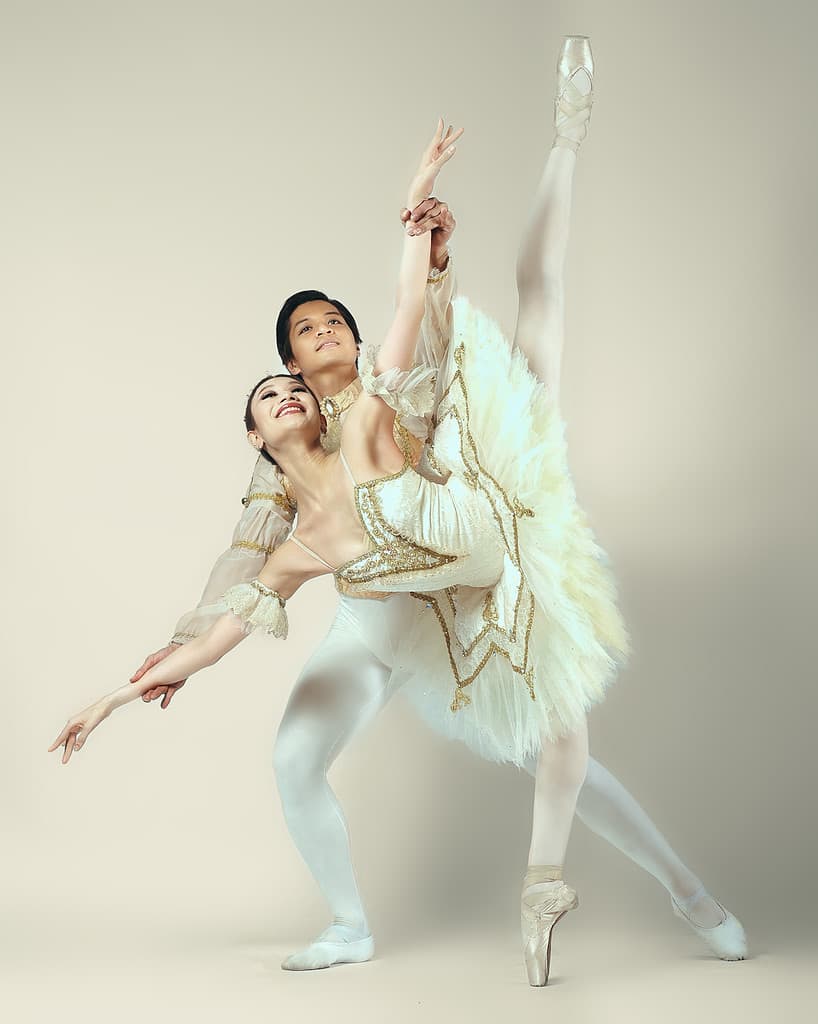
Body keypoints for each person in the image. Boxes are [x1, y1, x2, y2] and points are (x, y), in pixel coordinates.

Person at [51, 37, 748, 982]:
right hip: (375, 607)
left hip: (456, 545)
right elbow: (245, 579)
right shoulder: (282, 489)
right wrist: (135, 684)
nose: (322, 336)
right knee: (295, 759)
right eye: (303, 336)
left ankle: (686, 894)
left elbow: (411, 318)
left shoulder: (382, 398)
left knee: (560, 748)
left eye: (330, 320)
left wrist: (424, 232)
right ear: (279, 385)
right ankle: (350, 927)